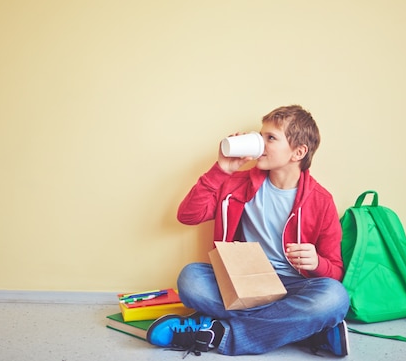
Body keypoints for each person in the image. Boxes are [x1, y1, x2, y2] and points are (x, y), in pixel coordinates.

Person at [146, 105, 350, 357]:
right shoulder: (236, 184)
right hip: (244, 282)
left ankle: (217, 333)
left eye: (271, 138)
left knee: (334, 298)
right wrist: (221, 170)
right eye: (260, 135)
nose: (260, 143)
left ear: (298, 152)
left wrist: (317, 262)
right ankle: (306, 328)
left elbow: (335, 272)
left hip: (295, 286)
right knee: (191, 279)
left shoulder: (321, 200)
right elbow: (188, 216)